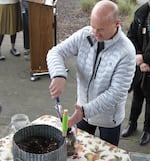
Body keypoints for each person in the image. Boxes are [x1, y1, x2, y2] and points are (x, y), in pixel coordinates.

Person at [47, 0, 136, 146]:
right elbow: (55, 52)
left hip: (108, 119)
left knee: (107, 153)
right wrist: (58, 74)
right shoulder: (85, 35)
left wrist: (84, 111)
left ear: (117, 24)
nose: (95, 33)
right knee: (81, 149)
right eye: (93, 26)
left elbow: (117, 93)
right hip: (81, 110)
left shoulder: (126, 51)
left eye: (101, 29)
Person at [121, 0, 150, 145]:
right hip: (140, 64)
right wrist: (139, 56)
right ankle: (132, 124)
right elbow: (131, 36)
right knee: (137, 95)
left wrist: (146, 59)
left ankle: (147, 130)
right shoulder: (141, 12)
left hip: (148, 64)